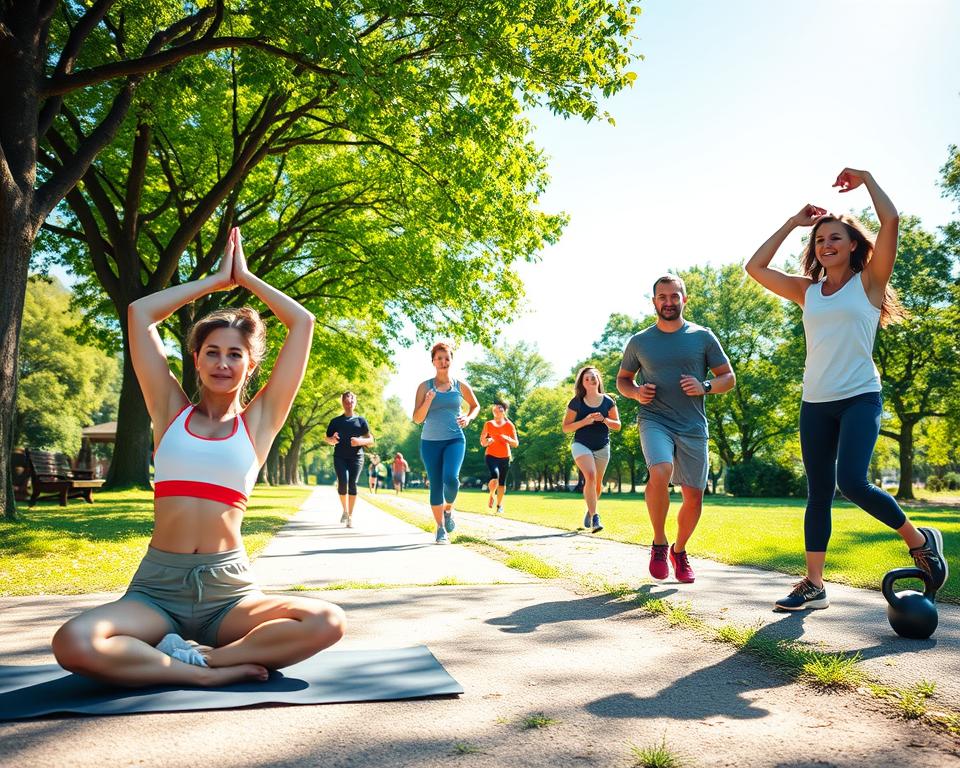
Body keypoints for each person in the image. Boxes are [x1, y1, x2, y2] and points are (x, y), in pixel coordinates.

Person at [52, 227, 344, 687]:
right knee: (74, 642)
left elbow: (302, 323)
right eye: (212, 352)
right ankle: (203, 674)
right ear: (196, 357)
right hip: (157, 589)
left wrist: (246, 279)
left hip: (230, 591)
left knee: (327, 621)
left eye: (235, 354)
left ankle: (209, 657)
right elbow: (139, 312)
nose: (222, 363)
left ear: (251, 365)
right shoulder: (169, 412)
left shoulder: (259, 422)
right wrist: (216, 281)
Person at [745, 168, 948, 610]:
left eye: (835, 238)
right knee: (818, 493)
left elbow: (890, 221)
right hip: (814, 402)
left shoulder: (870, 282)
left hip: (859, 396)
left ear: (853, 244)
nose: (826, 245)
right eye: (819, 241)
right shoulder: (808, 292)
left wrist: (870, 179)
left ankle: (918, 541)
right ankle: (814, 585)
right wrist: (791, 223)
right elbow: (755, 268)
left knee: (851, 481)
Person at [616, 275, 735, 584]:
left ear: (685, 299)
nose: (668, 302)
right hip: (655, 418)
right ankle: (658, 542)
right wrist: (635, 392)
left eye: (674, 296)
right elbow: (623, 379)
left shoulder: (702, 337)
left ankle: (679, 551)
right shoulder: (640, 341)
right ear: (654, 301)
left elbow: (728, 378)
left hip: (693, 424)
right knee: (661, 470)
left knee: (694, 497)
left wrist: (705, 385)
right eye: (662, 297)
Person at [412, 342, 480, 544]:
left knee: (451, 479)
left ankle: (448, 509)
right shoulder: (424, 387)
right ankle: (440, 528)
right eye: (439, 358)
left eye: (446, 358)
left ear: (451, 360)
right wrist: (428, 401)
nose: (443, 361)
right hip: (430, 442)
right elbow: (417, 418)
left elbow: (475, 406)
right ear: (433, 361)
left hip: (455, 439)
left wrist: (468, 418)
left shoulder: (460, 385)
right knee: (435, 484)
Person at [562, 366, 621, 533]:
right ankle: (596, 517)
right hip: (581, 444)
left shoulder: (608, 401)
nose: (591, 380)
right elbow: (566, 428)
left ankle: (590, 510)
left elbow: (617, 426)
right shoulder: (576, 402)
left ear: (598, 380)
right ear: (582, 382)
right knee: (590, 475)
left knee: (597, 484)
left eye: (594, 377)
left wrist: (604, 420)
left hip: (602, 445)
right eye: (587, 378)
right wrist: (585, 421)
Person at [324, 391, 374, 528]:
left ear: (355, 402)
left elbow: (371, 440)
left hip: (357, 457)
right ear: (342, 403)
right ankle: (345, 511)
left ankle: (350, 516)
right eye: (346, 402)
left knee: (352, 483)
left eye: (351, 401)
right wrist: (332, 440)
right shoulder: (335, 421)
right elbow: (326, 438)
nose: (348, 404)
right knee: (342, 483)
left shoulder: (361, 421)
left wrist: (359, 441)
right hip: (339, 456)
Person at [480, 400, 519, 514]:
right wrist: (487, 441)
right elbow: (482, 441)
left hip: (505, 457)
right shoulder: (488, 424)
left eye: (499, 410)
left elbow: (516, 443)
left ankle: (499, 505)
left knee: (502, 482)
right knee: (495, 476)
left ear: (504, 412)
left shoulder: (509, 425)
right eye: (495, 410)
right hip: (491, 455)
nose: (496, 412)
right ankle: (491, 495)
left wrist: (508, 439)